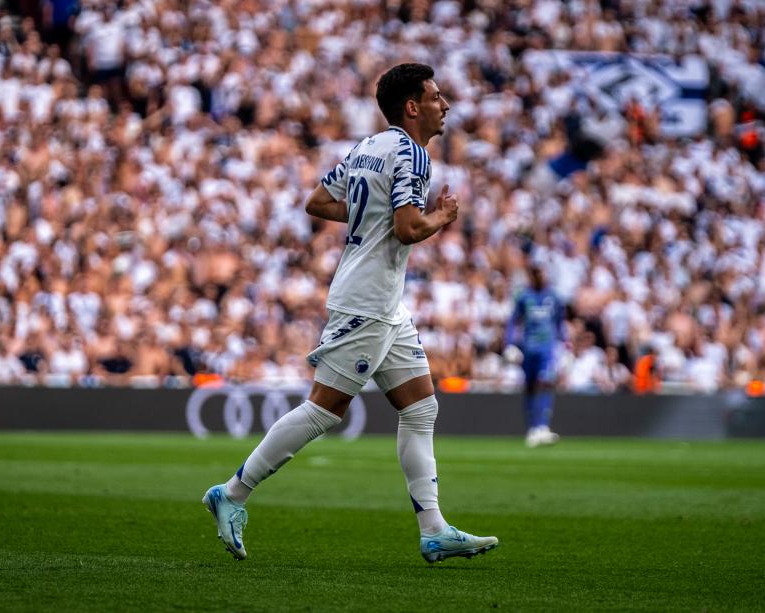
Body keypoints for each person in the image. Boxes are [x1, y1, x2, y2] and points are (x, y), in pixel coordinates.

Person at [202, 63, 498, 564]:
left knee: (420, 407)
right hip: (367, 301)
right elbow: (407, 229)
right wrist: (442, 217)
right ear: (412, 107)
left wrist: (372, 213)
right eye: (436, 96)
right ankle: (231, 493)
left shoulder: (367, 147)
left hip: (384, 304)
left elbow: (318, 201)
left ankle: (433, 529)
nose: (445, 105)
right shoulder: (412, 154)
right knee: (324, 409)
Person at [504, 265, 566, 447]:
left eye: (540, 273)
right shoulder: (524, 296)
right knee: (530, 386)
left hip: (547, 349)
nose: (538, 276)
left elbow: (559, 323)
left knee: (546, 383)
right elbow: (513, 321)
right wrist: (509, 344)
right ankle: (532, 429)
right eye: (534, 273)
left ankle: (543, 426)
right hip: (528, 348)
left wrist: (566, 345)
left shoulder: (554, 297)